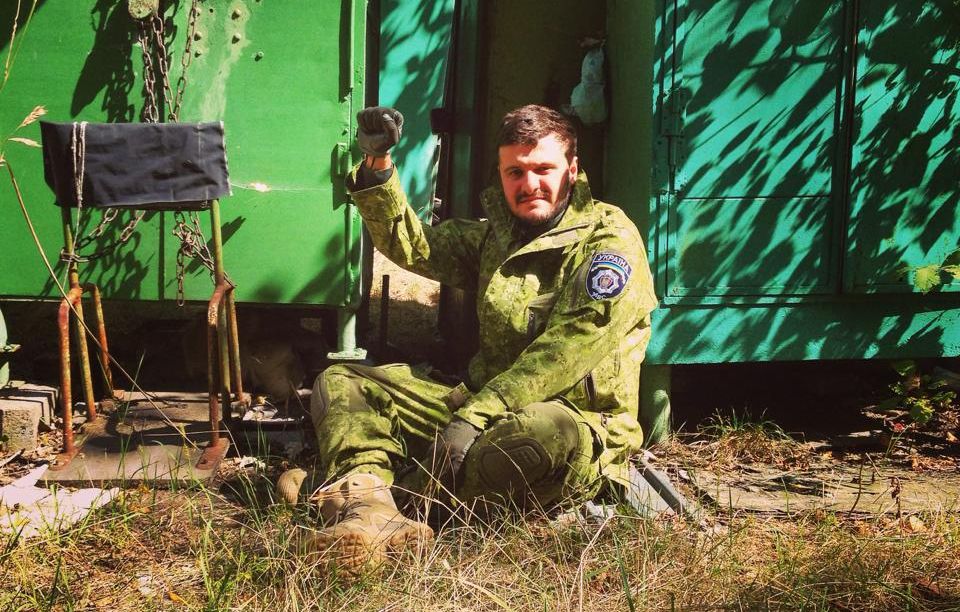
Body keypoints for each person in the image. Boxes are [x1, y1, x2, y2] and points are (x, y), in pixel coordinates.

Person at [279, 104, 657, 576]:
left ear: (573, 169)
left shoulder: (609, 242)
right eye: (515, 172)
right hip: (476, 404)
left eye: (543, 169)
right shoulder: (499, 235)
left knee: (532, 437)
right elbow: (415, 247)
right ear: (501, 173)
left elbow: (564, 352)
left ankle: (368, 496)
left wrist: (474, 418)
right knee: (343, 381)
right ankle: (372, 505)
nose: (529, 184)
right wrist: (378, 167)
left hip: (574, 421)